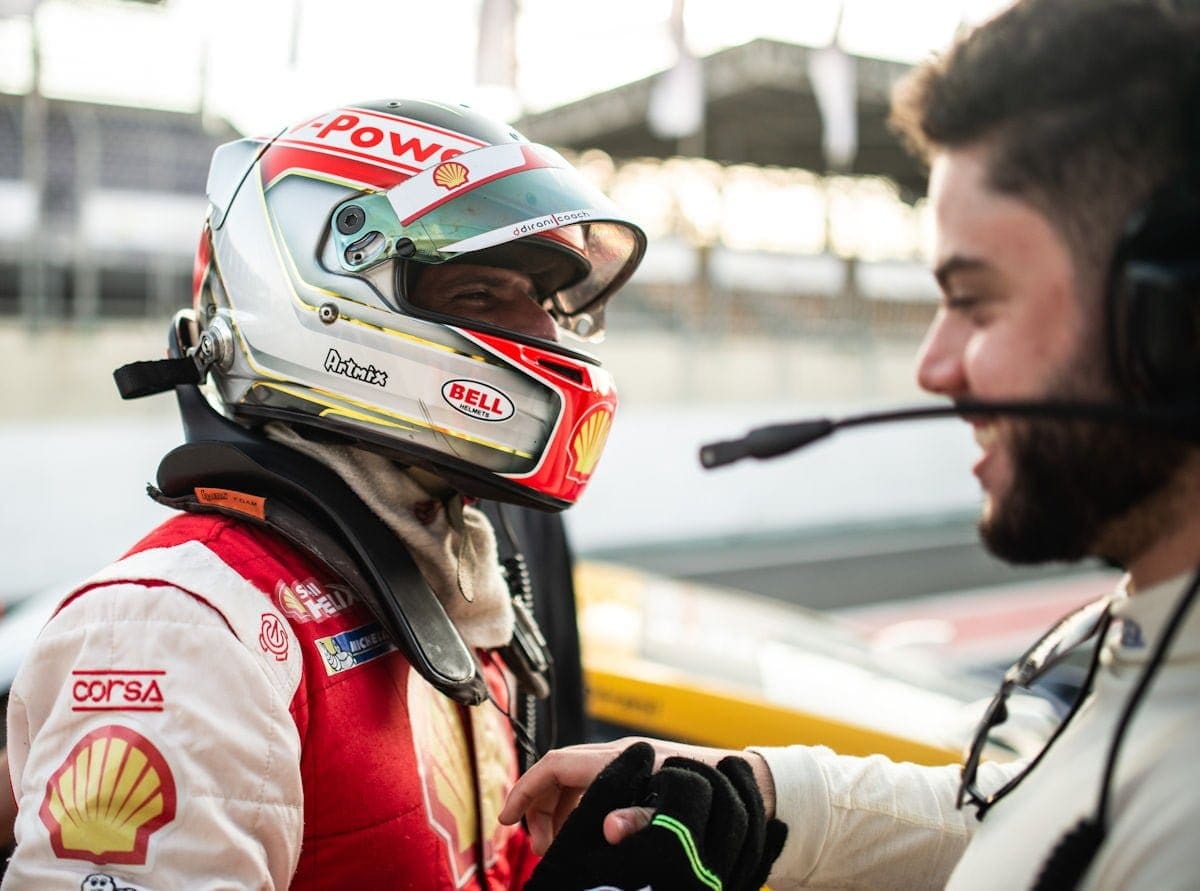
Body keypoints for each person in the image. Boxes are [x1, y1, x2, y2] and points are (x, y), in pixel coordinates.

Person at [499, 1, 1200, 888]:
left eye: (977, 301)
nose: (934, 366)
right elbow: (1023, 816)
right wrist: (749, 801)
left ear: (1172, 321)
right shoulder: (1151, 652)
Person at [3, 98, 645, 888]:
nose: (543, 336)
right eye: (482, 295)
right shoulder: (185, 630)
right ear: (318, 304)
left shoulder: (454, 575)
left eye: (541, 302)